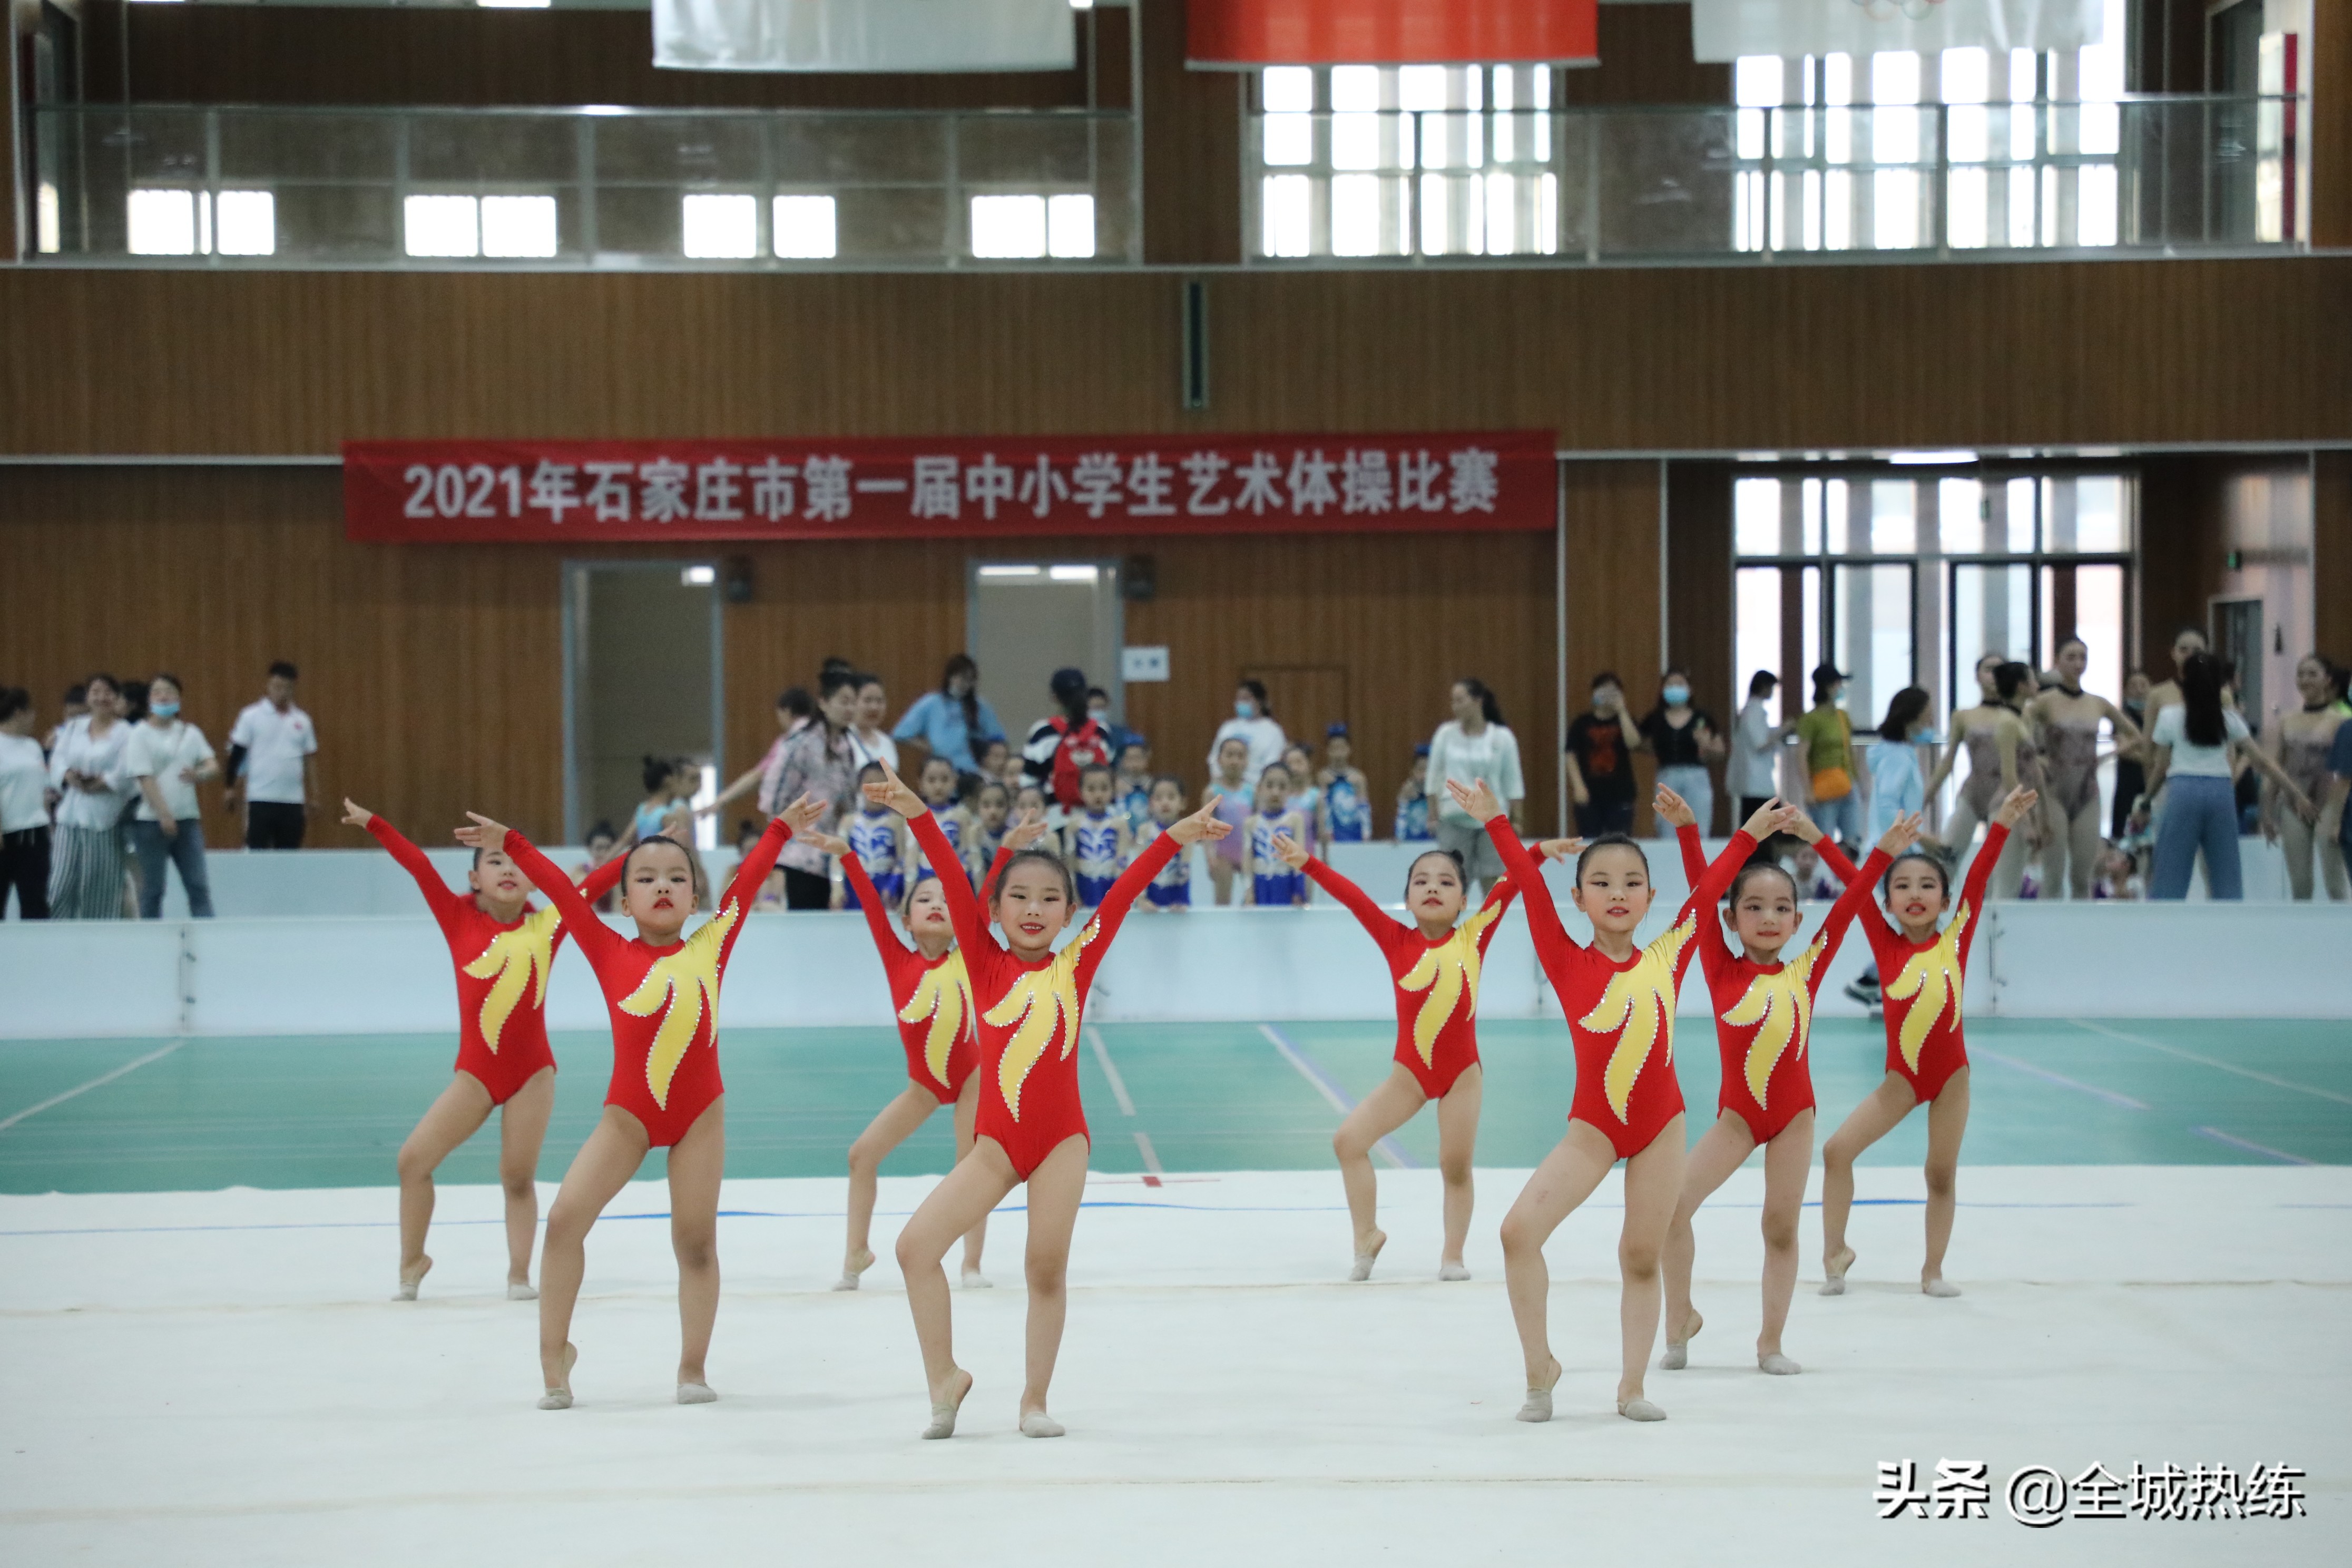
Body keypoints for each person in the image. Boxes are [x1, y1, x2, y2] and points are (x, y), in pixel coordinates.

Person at [872, 759, 1229, 1439]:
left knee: (1044, 1266)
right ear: (996, 909)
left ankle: (1034, 1399)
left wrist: (1174, 837)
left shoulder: (1077, 960)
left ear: (1069, 913)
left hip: (1062, 1140)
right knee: (916, 1247)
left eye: (1048, 899)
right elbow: (949, 872)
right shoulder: (981, 959)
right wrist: (918, 812)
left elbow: (1123, 893)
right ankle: (943, 1380)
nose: (1033, 909)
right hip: (997, 1145)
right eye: (1019, 898)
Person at [1451, 777, 1797, 1424]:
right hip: (1594, 1130)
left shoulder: (1669, 953)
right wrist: (1498, 821)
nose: (1617, 893)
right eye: (1602, 883)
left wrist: (1748, 834)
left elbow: (1713, 888)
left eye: (1632, 882)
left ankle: (1631, 1385)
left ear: (1650, 896)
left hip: (1662, 1127)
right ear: (1578, 897)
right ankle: (1540, 1371)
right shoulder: (1562, 956)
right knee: (1518, 1232)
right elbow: (1527, 883)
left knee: (1641, 1253)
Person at [462, 792, 821, 1409]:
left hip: (699, 1118)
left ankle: (692, 1366)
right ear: (624, 902)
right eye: (647, 879)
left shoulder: (712, 944)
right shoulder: (606, 947)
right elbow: (560, 889)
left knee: (696, 1242)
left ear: (694, 895)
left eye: (678, 878)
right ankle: (555, 1359)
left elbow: (752, 878)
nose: (663, 887)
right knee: (565, 1222)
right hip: (628, 1118)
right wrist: (514, 840)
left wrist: (783, 828)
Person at [1661, 804, 1918, 1378]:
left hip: (1793, 1119)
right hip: (1737, 1120)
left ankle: (1770, 1342)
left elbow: (1853, 903)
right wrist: (1686, 831)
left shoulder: (1805, 969)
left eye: (1782, 908)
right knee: (1673, 1207)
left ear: (1799, 922)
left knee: (1779, 1226)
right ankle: (1679, 1318)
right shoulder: (1720, 967)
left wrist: (1868, 850)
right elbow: (1703, 893)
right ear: (1730, 920)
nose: (1769, 917)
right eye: (1753, 907)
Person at [344, 800, 627, 1300]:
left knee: (517, 1175)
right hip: (475, 1075)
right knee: (413, 1161)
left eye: (517, 863)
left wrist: (643, 856)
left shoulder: (548, 924)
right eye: (495, 862)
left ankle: (519, 1274)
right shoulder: (456, 917)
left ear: (535, 882)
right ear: (475, 880)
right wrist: (375, 824)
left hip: (532, 1075)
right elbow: (419, 866)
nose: (509, 869)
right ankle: (413, 1261)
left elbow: (591, 886)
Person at [1281, 833, 1560, 1282]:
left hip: (1462, 1076)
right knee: (1348, 1142)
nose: (1434, 888)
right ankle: (1366, 1236)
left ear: (1464, 900)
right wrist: (1308, 863)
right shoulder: (1394, 937)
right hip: (1409, 1076)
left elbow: (1510, 885)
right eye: (1422, 882)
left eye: (1447, 882)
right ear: (1407, 898)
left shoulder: (1475, 934)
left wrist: (1538, 852)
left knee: (1455, 1166)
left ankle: (1453, 1256)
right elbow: (1353, 898)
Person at [1812, 787, 2035, 1298]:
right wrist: (1816, 837)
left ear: (1944, 898)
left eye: (1928, 885)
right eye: (1903, 886)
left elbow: (1978, 881)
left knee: (1939, 1173)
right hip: (1901, 1083)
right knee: (1836, 1151)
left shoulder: (1954, 938)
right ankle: (1835, 1253)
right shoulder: (1883, 942)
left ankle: (1932, 1270)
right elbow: (1853, 882)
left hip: (1951, 1079)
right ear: (1887, 903)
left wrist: (1998, 822)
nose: (1915, 893)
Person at [816, 811, 1046, 1293]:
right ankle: (855, 1252)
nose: (938, 903)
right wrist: (846, 857)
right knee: (862, 1155)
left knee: (971, 1166)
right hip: (922, 1087)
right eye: (924, 899)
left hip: (971, 1081)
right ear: (906, 919)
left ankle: (971, 1263)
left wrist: (1007, 844)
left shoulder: (969, 953)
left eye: (944, 898)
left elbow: (980, 901)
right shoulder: (895, 955)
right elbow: (871, 909)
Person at [2145, 652, 2309, 900]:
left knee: (2169, 878)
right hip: (2221, 793)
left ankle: (2164, 933)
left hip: (2182, 792)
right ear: (2222, 684)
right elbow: (2263, 762)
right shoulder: (2230, 720)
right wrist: (2295, 793)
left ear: (2183, 679)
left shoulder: (2170, 717)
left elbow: (2161, 767)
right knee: (2226, 877)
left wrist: (2146, 799)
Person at [1843, 687, 1939, 1005]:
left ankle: (1880, 980)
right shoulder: (1897, 757)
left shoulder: (1897, 754)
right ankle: (1874, 979)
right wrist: (1910, 838)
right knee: (1916, 920)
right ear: (1913, 716)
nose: (1932, 718)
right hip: (1895, 852)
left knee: (1913, 920)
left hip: (1896, 850)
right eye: (1928, 712)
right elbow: (1887, 804)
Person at [2027, 639, 2144, 900]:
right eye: (2071, 657)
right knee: (2054, 873)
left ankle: (2080, 935)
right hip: (2053, 790)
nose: (2078, 663)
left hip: (2087, 792)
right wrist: (2039, 759)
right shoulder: (2043, 702)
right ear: (2058, 661)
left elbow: (2136, 735)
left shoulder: (2098, 703)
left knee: (2084, 875)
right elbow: (2020, 739)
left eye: (2083, 657)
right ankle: (2046, 935)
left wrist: (2107, 756)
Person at [1927, 657, 2036, 899]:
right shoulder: (1964, 716)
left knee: (2001, 869)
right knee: (1946, 857)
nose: (1994, 676)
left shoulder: (2021, 716)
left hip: (2005, 792)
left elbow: (2031, 763)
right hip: (1974, 791)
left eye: (1999, 670)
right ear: (1977, 676)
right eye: (1988, 670)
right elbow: (1948, 762)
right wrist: (1926, 798)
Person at [123, 674, 219, 920]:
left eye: (169, 692)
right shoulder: (139, 734)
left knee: (198, 885)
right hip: (150, 822)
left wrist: (199, 774)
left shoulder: (190, 733)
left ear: (179, 698)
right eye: (157, 692)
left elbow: (213, 767)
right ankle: (150, 941)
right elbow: (145, 778)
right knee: (153, 890)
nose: (163, 696)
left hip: (187, 820)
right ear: (149, 700)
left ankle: (208, 936)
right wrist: (164, 814)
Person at [45, 673, 135, 920]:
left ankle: (98, 945)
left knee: (98, 889)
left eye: (108, 693)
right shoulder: (74, 727)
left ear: (117, 699)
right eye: (96, 692)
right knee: (59, 886)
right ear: (88, 697)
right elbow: (57, 761)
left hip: (105, 818)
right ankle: (58, 940)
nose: (101, 698)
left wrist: (101, 783)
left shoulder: (126, 733)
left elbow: (128, 771)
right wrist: (69, 776)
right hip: (69, 815)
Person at [771, 670, 864, 909]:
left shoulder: (847, 747)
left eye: (854, 703)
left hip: (833, 853)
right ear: (823, 702)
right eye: (844, 702)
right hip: (802, 852)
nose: (850, 709)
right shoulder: (802, 743)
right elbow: (777, 797)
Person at [1428, 678, 1523, 901]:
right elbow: (1434, 776)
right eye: (1453, 701)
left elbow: (1513, 781)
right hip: (1453, 819)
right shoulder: (1445, 734)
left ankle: (1491, 930)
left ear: (1478, 701)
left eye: (1461, 700)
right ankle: (1451, 933)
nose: (1455, 706)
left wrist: (1517, 820)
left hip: (1493, 820)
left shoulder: (1502, 738)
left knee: (1494, 881)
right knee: (1452, 882)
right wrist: (1432, 814)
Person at [2263, 654, 2347, 901]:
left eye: (2313, 674)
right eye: (2301, 674)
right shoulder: (2286, 720)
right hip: (2293, 802)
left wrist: (2341, 818)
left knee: (2335, 883)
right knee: (2300, 885)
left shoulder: (2342, 722)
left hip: (2330, 803)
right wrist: (2267, 810)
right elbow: (2273, 767)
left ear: (2327, 680)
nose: (2306, 679)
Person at [224, 661, 318, 851]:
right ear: (268, 686)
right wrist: (230, 787)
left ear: (293, 689)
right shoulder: (251, 716)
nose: (281, 692)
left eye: (286, 688)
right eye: (276, 687)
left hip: (293, 801)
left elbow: (309, 759)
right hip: (260, 798)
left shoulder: (302, 720)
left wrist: (314, 795)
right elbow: (237, 753)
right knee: (257, 852)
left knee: (290, 855)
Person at [700, 688, 817, 824]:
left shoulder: (790, 743)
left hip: (797, 817)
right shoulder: (823, 737)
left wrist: (721, 801)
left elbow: (758, 775)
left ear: (786, 711)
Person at [1636, 668, 1725, 837]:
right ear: (1663, 690)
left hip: (1697, 774)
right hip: (1667, 776)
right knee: (1667, 827)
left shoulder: (1702, 717)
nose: (1675, 688)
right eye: (1670, 684)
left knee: (1699, 825)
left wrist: (1706, 746)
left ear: (1689, 690)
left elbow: (1720, 752)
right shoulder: (1655, 718)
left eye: (1680, 684)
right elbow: (1639, 743)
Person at [892, 655, 1005, 781]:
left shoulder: (979, 706)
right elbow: (900, 733)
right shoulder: (931, 703)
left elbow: (998, 738)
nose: (965, 685)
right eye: (962, 678)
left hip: (972, 771)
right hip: (942, 772)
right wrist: (929, 746)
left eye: (970, 680)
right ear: (950, 676)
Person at [1022, 667, 1114, 811]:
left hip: (1056, 815)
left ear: (1054, 697)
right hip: (1099, 814)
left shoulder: (1042, 731)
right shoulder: (1101, 730)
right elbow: (1111, 772)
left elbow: (1029, 781)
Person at [1793, 664, 1863, 851]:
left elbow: (1850, 750)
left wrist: (1859, 782)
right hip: (1823, 788)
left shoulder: (1843, 717)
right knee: (1824, 842)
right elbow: (1802, 756)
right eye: (1837, 684)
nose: (1840, 688)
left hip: (1847, 783)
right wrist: (1807, 791)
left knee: (1853, 841)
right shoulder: (1810, 720)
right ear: (1827, 686)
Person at [1564, 673, 1641, 837]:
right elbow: (1570, 755)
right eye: (1603, 690)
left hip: (1620, 794)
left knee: (1620, 843)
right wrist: (1578, 786)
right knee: (1589, 842)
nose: (1607, 695)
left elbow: (1633, 743)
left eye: (1613, 691)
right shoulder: (1582, 723)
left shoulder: (1625, 721)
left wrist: (1621, 711)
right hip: (1590, 794)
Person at [0, 690, 50, 918]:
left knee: (35, 902)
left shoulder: (32, 745)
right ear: (19, 713)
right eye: (30, 712)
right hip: (6, 833)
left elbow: (41, 787)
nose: (33, 717)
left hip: (35, 834)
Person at [841, 762, 914, 912]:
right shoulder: (848, 822)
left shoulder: (897, 822)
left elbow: (903, 859)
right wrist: (837, 885)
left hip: (885, 889)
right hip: (854, 889)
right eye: (869, 784)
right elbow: (838, 858)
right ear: (859, 787)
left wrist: (893, 886)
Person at [1062, 764, 1131, 913]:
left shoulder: (1119, 825)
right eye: (1091, 789)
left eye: (1104, 789)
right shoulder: (1074, 825)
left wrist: (1120, 893)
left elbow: (1122, 859)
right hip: (1084, 882)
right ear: (1081, 792)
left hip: (1110, 882)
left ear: (1113, 791)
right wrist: (1073, 893)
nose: (1098, 794)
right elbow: (1070, 861)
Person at [1239, 762, 1308, 907]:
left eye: (1282, 787)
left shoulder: (1295, 820)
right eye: (1270, 786)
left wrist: (1299, 890)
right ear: (1259, 788)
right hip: (1260, 885)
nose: (1275, 792)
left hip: (1286, 885)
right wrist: (1248, 891)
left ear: (1291, 790)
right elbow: (1247, 859)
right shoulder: (1251, 823)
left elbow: (1300, 857)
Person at [1726, 672, 1789, 827]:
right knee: (1758, 824)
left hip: (1754, 779)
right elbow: (1761, 744)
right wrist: (1783, 730)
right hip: (1755, 780)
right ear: (1763, 687)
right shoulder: (1754, 712)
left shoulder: (1751, 710)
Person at [1203, 735, 1255, 904]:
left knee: (1251, 900)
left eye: (1240, 756)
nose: (1234, 761)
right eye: (1230, 755)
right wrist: (1210, 858)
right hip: (1223, 854)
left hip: (1247, 853)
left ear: (1247, 762)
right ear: (1219, 760)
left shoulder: (1253, 792)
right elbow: (1206, 828)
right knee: (1222, 903)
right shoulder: (1212, 792)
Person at [1206, 679, 1286, 787]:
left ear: (1260, 701)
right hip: (1224, 786)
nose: (1241, 702)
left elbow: (1272, 764)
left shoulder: (1273, 732)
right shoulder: (1228, 727)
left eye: (1246, 699)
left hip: (1256, 787)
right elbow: (1214, 758)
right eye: (1239, 699)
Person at [1136, 777, 1193, 910]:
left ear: (1183, 803)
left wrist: (1182, 900)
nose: (1165, 802)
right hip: (1151, 898)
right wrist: (1141, 900)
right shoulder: (1144, 831)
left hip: (1177, 898)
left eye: (1171, 797)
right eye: (1159, 798)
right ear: (1150, 804)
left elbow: (1185, 868)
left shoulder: (1187, 831)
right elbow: (1140, 869)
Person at [2111, 669, 2152, 841]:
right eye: (2134, 686)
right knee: (2123, 832)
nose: (2140, 689)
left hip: (2151, 778)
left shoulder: (2157, 715)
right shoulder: (2122, 717)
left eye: (2144, 685)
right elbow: (2124, 751)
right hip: (2129, 777)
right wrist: (2152, 758)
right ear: (2126, 690)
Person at [1317, 723, 1373, 844]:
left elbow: (1364, 808)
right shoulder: (1323, 777)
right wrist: (1325, 833)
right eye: (1334, 749)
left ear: (1349, 750)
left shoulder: (1358, 778)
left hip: (1355, 835)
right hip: (1333, 836)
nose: (1338, 754)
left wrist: (1366, 835)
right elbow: (1322, 808)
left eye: (1342, 749)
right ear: (1328, 751)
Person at [848, 674, 899, 773]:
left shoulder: (887, 742)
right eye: (868, 700)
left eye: (879, 701)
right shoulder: (843, 740)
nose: (874, 707)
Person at [1112, 739, 1154, 836]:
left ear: (1146, 759)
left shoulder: (1152, 784)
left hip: (1146, 831)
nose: (1134, 763)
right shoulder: (1117, 785)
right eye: (1130, 759)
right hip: (1124, 832)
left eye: (1138, 758)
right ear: (1123, 760)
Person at [1394, 743, 1434, 841]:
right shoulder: (1408, 791)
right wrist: (1399, 838)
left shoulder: (1440, 793)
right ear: (1413, 771)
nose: (1425, 775)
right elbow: (1401, 820)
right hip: (1411, 841)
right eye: (1420, 770)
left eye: (1429, 770)